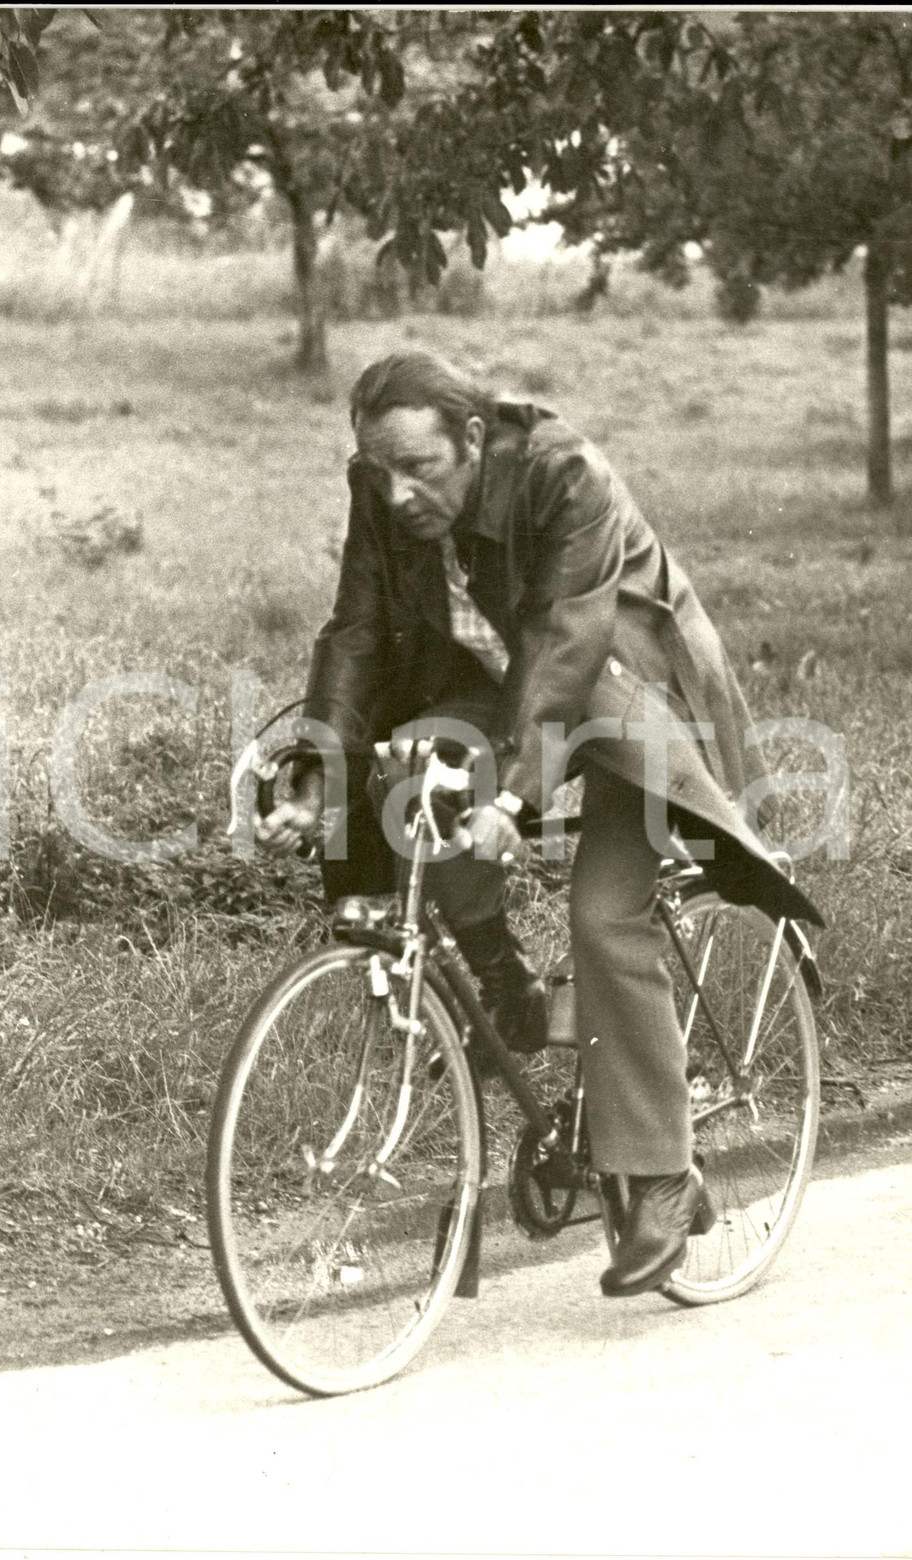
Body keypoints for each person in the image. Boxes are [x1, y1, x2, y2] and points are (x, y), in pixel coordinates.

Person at [256, 351, 822, 1299]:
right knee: (412, 795)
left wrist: (512, 799)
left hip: (634, 695)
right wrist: (319, 766)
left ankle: (658, 1180)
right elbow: (356, 629)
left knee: (605, 916)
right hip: (517, 690)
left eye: (419, 471)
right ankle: (511, 998)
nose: (395, 495)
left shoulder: (566, 474)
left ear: (473, 439)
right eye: (377, 471)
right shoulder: (383, 483)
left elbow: (568, 638)